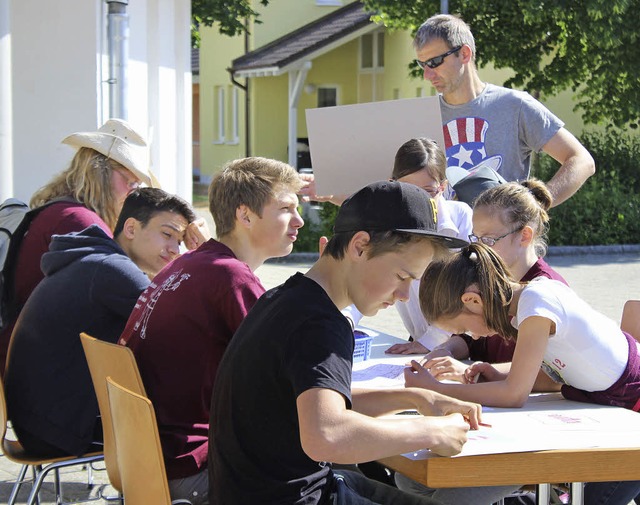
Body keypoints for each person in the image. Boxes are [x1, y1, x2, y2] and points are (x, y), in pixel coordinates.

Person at [208, 180, 484, 505]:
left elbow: (318, 399)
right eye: (401, 277)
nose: (404, 295)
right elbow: (328, 434)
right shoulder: (320, 323)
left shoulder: (285, 299)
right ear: (360, 246)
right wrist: (431, 431)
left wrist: (417, 397)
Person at [119, 157, 305, 505]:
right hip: (193, 472)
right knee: (334, 468)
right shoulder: (230, 278)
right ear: (245, 215)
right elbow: (293, 380)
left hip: (147, 465)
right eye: (286, 209)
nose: (299, 221)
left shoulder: (191, 264)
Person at [405, 242, 640, 504]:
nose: (469, 336)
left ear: (472, 300)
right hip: (615, 412)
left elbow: (515, 395)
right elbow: (558, 375)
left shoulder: (537, 304)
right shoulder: (525, 306)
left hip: (631, 421)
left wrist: (436, 390)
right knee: (414, 482)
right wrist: (499, 374)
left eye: (461, 327)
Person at [4, 188, 196, 460]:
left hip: (36, 423)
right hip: (57, 431)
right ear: (130, 228)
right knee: (189, 426)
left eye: (181, 242)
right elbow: (186, 329)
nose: (175, 250)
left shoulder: (93, 260)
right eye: (167, 235)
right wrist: (204, 256)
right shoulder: (112, 270)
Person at [0, 118, 158, 376]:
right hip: (37, 373)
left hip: (27, 362)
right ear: (100, 171)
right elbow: (139, 298)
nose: (133, 193)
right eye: (129, 181)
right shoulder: (78, 220)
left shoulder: (62, 209)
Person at [398, 179, 567, 389]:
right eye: (475, 238)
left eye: (488, 239)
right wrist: (446, 349)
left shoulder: (545, 290)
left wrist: (472, 371)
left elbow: (554, 375)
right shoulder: (489, 279)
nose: (479, 248)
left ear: (524, 236)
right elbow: (475, 338)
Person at [414, 14, 595, 207]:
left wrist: (536, 206)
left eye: (434, 62)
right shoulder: (421, 114)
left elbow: (581, 160)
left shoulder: (514, 105)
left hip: (505, 236)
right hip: (442, 236)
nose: (427, 74)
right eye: (422, 65)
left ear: (464, 54)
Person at [384, 137, 472, 355]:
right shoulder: (384, 223)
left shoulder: (462, 217)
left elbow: (472, 289)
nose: (418, 201)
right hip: (418, 343)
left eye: (428, 191)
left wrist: (431, 340)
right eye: (407, 190)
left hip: (466, 345)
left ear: (443, 187)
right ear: (392, 184)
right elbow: (364, 279)